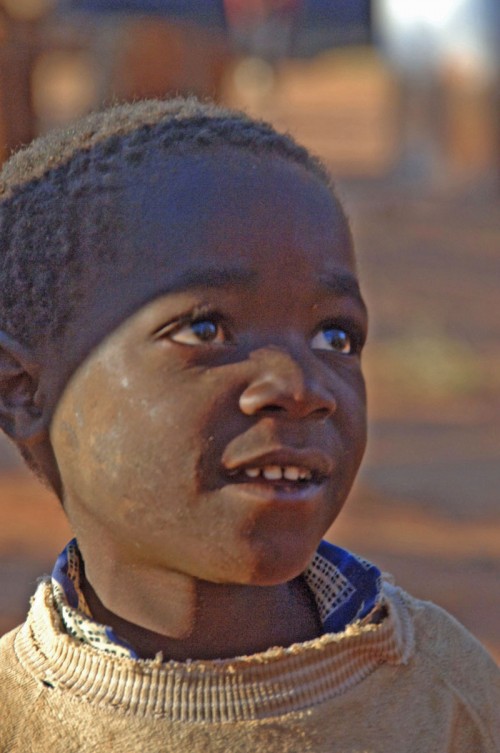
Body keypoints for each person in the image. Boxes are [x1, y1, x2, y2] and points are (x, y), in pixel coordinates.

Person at [0, 98, 498, 753]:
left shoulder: (447, 697)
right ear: (25, 391)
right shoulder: (17, 719)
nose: (298, 385)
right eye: (206, 329)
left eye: (334, 335)